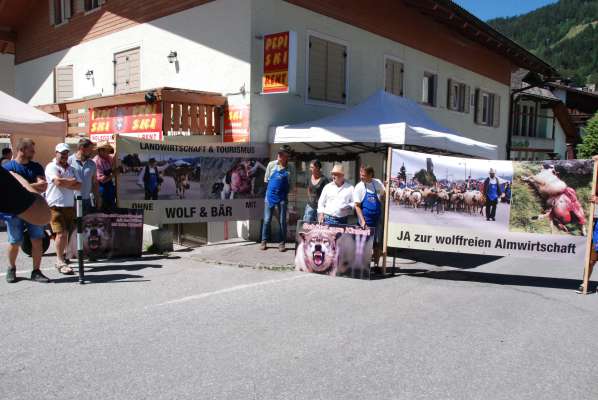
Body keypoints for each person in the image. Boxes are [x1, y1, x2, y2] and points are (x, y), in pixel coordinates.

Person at [3, 139, 51, 283]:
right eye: (31, 150)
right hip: (14, 211)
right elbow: (6, 190)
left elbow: (43, 186)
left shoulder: (36, 167)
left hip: (34, 208)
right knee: (15, 241)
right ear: (22, 150)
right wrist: (32, 186)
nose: (34, 153)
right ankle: (11, 269)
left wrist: (20, 186)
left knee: (37, 240)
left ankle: (36, 271)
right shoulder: (7, 167)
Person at [46, 143, 81, 274]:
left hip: (69, 205)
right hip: (55, 205)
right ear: (56, 153)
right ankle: (60, 261)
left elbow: (79, 185)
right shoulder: (51, 166)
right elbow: (57, 182)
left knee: (67, 233)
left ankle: (63, 258)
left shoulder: (72, 169)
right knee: (61, 234)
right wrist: (70, 181)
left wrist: (67, 182)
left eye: (66, 153)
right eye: (62, 153)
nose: (64, 156)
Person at [260, 147, 295, 252]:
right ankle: (264, 241)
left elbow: (292, 184)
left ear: (286, 156)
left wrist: (284, 192)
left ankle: (282, 243)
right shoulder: (271, 165)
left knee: (282, 221)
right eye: (278, 153)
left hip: (282, 198)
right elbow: (266, 179)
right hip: (269, 197)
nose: (279, 155)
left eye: (281, 153)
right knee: (267, 220)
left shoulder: (290, 167)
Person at [353, 165, 385, 263]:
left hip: (377, 219)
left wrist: (384, 194)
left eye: (363, 175)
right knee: (364, 243)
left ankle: (376, 265)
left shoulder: (377, 183)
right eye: (360, 175)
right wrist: (362, 221)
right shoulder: (359, 187)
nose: (361, 177)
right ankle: (363, 267)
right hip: (366, 220)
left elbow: (383, 195)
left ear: (370, 175)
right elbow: (357, 206)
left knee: (377, 243)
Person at [68, 138, 99, 214]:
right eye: (90, 149)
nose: (92, 152)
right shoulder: (69, 161)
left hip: (86, 200)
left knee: (85, 224)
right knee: (73, 224)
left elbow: (94, 182)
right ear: (82, 148)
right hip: (71, 200)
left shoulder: (92, 164)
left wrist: (97, 197)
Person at [94, 141, 116, 211]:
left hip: (110, 187)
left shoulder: (109, 158)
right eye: (107, 150)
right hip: (101, 189)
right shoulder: (96, 161)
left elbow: (114, 164)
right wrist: (114, 174)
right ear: (101, 151)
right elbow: (102, 180)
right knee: (103, 208)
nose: (109, 152)